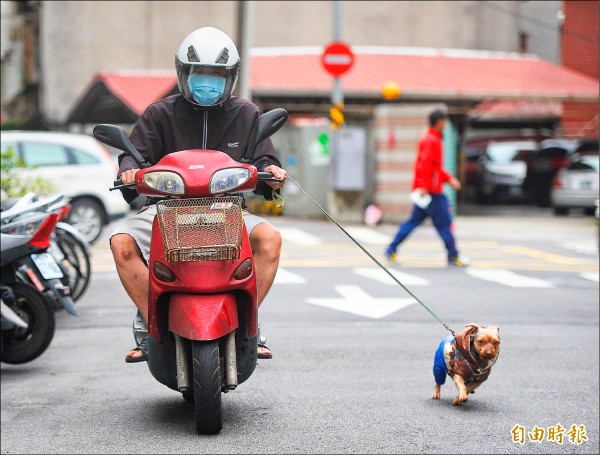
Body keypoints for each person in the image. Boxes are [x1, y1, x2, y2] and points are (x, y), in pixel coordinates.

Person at [110, 27, 287, 363]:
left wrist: (274, 175)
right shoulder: (159, 113)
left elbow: (266, 161)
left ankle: (249, 325)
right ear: (183, 74)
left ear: (230, 78)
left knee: (270, 239)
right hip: (165, 210)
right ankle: (152, 323)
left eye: (217, 76)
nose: (208, 83)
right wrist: (129, 172)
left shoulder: (247, 114)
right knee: (122, 243)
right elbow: (133, 155)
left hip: (228, 209)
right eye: (199, 74)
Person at [384, 109, 468, 267]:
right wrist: (423, 186)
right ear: (439, 121)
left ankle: (391, 248)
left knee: (413, 222)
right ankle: (453, 255)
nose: (445, 125)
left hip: (428, 191)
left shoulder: (432, 138)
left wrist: (449, 179)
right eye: (444, 121)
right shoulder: (431, 140)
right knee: (444, 223)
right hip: (431, 193)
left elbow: (435, 168)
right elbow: (424, 164)